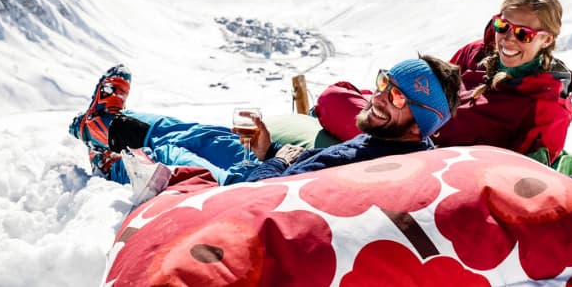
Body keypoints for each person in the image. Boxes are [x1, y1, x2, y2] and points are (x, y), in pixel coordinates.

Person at [68, 55, 462, 188]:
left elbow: (252, 190)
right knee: (210, 135)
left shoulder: (362, 159)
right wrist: (271, 151)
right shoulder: (408, 145)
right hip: (278, 164)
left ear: (421, 123)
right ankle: (108, 124)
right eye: (383, 83)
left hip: (251, 183)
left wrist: (274, 162)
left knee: (176, 155)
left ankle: (108, 152)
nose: (377, 97)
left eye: (395, 95)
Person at [314, 0, 572, 166]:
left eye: (523, 34)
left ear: (546, 40)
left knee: (350, 112)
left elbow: (525, 174)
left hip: (436, 162)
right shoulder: (476, 53)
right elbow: (434, 89)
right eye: (502, 26)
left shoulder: (547, 106)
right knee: (335, 98)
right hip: (410, 123)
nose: (507, 39)